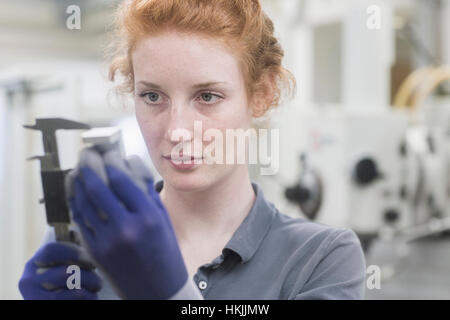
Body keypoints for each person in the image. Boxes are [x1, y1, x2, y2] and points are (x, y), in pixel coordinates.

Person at [18, 0, 366, 300]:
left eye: (207, 96)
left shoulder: (320, 259)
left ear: (261, 94)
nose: (177, 131)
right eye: (152, 96)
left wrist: (165, 290)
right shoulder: (90, 238)